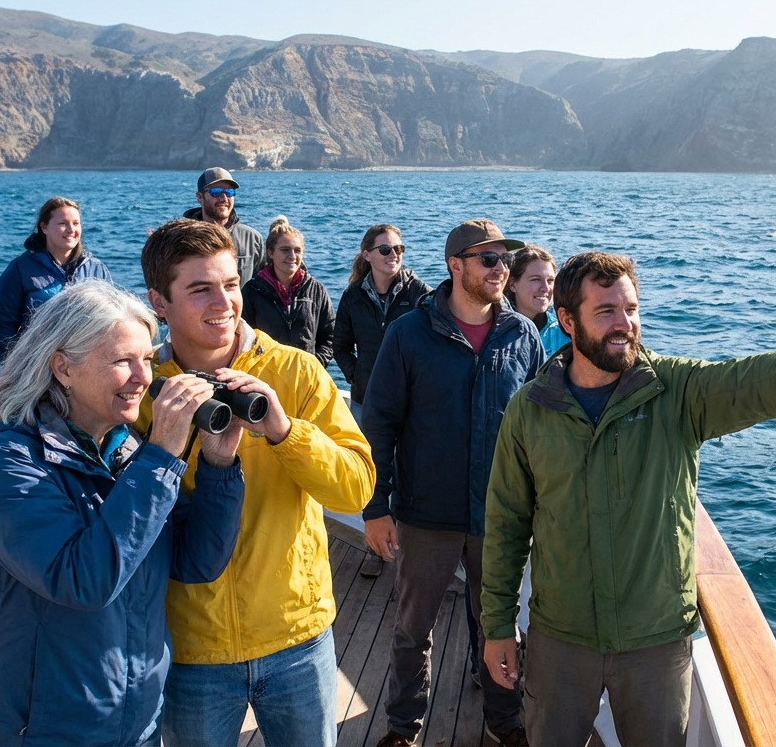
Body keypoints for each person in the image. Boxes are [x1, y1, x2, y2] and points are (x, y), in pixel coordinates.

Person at [480, 251, 776, 746]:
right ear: (567, 320)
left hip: (657, 641)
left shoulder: (675, 391)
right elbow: (507, 524)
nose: (625, 324)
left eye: (631, 309)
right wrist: (498, 625)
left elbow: (749, 383)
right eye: (606, 311)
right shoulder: (530, 410)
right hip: (560, 637)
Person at [0, 280, 246, 747]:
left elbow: (197, 561)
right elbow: (83, 581)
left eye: (147, 359)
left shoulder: (128, 455)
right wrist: (162, 455)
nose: (143, 378)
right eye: (122, 361)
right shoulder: (7, 463)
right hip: (38, 731)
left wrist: (218, 462)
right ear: (62, 367)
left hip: (135, 723)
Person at [136, 218, 375, 747]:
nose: (223, 302)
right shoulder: (142, 390)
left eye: (229, 284)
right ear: (158, 302)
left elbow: (356, 488)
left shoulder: (298, 373)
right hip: (192, 645)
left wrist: (285, 432)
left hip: (296, 634)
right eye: (200, 289)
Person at [361, 219, 543, 747]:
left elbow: (539, 428)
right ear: (455, 265)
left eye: (505, 259)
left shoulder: (522, 335)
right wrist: (376, 506)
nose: (500, 269)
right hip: (427, 513)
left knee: (498, 626)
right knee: (412, 629)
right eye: (488, 259)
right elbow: (380, 425)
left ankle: (504, 721)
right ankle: (403, 727)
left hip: (499, 516)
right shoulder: (409, 334)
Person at [0, 196, 111, 361]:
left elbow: (110, 321)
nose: (71, 229)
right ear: (44, 227)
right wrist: (19, 368)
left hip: (86, 366)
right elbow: (2, 328)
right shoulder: (20, 270)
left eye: (76, 223)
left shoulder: (96, 269)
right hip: (38, 368)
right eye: (63, 223)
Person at [332, 224, 433, 410]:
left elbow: (438, 335)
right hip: (365, 399)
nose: (393, 254)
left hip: (410, 401)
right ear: (367, 255)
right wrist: (357, 376)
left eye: (398, 248)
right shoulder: (353, 296)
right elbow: (340, 347)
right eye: (385, 249)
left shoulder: (418, 292)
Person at [240, 215, 337, 365]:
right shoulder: (253, 290)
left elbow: (330, 336)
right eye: (285, 250)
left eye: (297, 250)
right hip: (264, 373)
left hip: (306, 373)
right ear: (270, 253)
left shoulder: (316, 290)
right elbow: (243, 337)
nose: (292, 256)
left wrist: (314, 364)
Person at [183, 167, 265, 285]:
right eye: (216, 192)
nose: (224, 198)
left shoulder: (253, 239)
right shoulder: (182, 240)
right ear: (200, 197)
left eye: (229, 192)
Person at [506, 244, 571, 355]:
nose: (546, 288)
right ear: (512, 284)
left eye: (550, 280)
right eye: (536, 279)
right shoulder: (498, 332)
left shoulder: (565, 331)